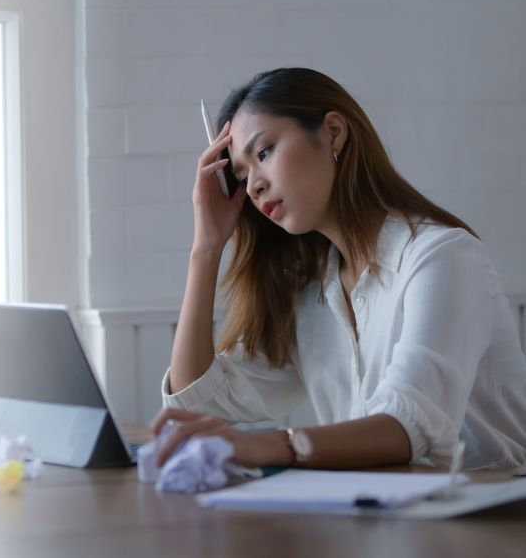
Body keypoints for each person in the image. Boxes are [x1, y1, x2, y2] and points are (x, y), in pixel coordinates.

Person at [152, 67, 526, 474]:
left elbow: (410, 425)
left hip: (490, 520)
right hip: (379, 517)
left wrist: (271, 445)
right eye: (241, 177)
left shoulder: (442, 257)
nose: (254, 186)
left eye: (264, 153)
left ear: (333, 132)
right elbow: (199, 401)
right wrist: (205, 248)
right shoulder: (312, 291)